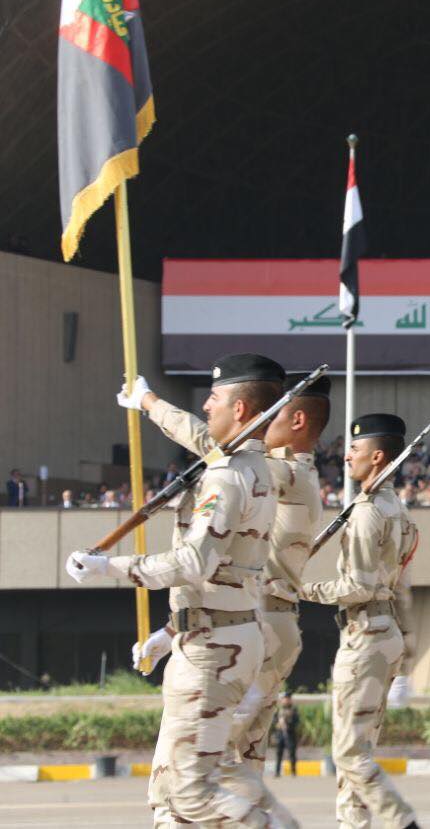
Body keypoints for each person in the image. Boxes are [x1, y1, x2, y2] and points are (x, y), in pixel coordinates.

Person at [65, 353, 284, 827]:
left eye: (216, 398)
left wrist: (108, 567)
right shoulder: (245, 464)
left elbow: (194, 562)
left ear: (242, 411)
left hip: (213, 649)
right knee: (169, 795)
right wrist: (147, 401)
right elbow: (200, 435)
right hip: (209, 636)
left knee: (188, 793)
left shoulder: (226, 476)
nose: (207, 405)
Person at [118, 371, 331, 827]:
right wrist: (172, 629)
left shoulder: (283, 472)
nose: (259, 425)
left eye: (268, 415)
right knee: (226, 765)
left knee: (196, 771)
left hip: (253, 629)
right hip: (253, 623)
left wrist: (151, 403)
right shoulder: (280, 474)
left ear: (293, 419)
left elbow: (211, 445)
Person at [300, 414, 420, 829]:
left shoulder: (369, 513)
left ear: (378, 456)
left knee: (349, 753)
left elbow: (358, 587)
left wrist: (298, 588)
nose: (346, 454)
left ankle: (397, 820)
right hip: (380, 633)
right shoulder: (393, 507)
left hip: (365, 631)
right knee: (357, 750)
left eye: (355, 449)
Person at [273, 692, 299, 778]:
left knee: (292, 753)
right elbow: (274, 720)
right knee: (278, 753)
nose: (286, 700)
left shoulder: (294, 710)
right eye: (285, 698)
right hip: (280, 734)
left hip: (290, 734)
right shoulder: (278, 710)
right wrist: (278, 723)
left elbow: (296, 721)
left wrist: (288, 724)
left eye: (288, 699)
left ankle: (293, 772)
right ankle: (277, 772)